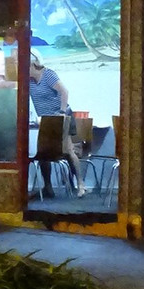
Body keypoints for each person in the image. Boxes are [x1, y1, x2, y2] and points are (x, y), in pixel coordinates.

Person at [28, 54, 85, 197]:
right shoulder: (28, 81)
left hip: (60, 117)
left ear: (33, 64)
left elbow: (64, 91)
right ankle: (48, 187)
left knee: (68, 150)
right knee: (42, 153)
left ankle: (80, 185)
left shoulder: (48, 74)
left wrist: (62, 112)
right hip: (45, 120)